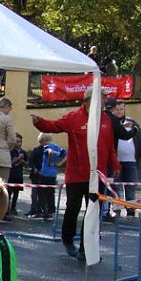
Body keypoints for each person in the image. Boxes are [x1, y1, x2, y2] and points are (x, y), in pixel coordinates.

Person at [32, 87, 119, 259]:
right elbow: (54, 126)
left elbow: (109, 145)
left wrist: (115, 164)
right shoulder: (74, 117)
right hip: (76, 174)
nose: (105, 101)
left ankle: (86, 249)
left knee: (93, 212)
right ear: (89, 100)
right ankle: (68, 239)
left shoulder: (106, 119)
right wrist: (39, 122)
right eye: (102, 98)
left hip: (97, 175)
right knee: (73, 208)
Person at [111, 101, 141, 217]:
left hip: (131, 160)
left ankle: (131, 211)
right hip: (116, 160)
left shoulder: (132, 122)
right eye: (117, 109)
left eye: (121, 109)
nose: (119, 111)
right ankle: (116, 211)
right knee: (115, 187)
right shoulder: (110, 122)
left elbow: (140, 139)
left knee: (130, 186)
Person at [35, 133, 65, 221]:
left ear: (43, 141)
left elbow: (49, 152)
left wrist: (49, 161)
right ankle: (51, 211)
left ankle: (43, 211)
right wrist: (60, 163)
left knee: (42, 193)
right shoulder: (57, 147)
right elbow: (66, 154)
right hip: (53, 173)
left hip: (45, 173)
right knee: (51, 193)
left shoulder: (47, 147)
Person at [7, 133, 26, 217]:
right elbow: (10, 162)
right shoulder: (10, 152)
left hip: (19, 175)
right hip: (11, 175)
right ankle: (6, 208)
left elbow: (27, 163)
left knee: (16, 193)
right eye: (17, 141)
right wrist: (18, 159)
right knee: (9, 192)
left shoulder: (23, 152)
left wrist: (23, 162)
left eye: (20, 141)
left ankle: (13, 207)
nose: (19, 143)